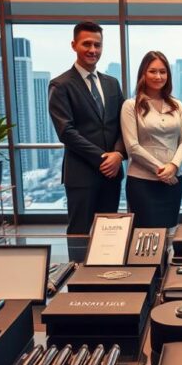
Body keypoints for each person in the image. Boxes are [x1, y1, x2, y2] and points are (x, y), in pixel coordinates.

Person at [48, 21, 126, 235]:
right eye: (87, 44)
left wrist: (118, 154)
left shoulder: (112, 83)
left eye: (97, 45)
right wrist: (104, 158)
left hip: (111, 174)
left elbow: (123, 124)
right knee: (80, 233)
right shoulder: (61, 85)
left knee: (109, 234)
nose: (93, 50)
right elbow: (66, 131)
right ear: (74, 45)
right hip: (81, 174)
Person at [120, 51, 182, 228]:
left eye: (163, 72)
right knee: (144, 236)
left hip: (173, 181)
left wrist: (173, 166)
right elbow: (132, 146)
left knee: (170, 231)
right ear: (143, 73)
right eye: (152, 71)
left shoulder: (177, 105)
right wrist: (162, 170)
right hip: (142, 183)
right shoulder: (131, 105)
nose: (158, 76)